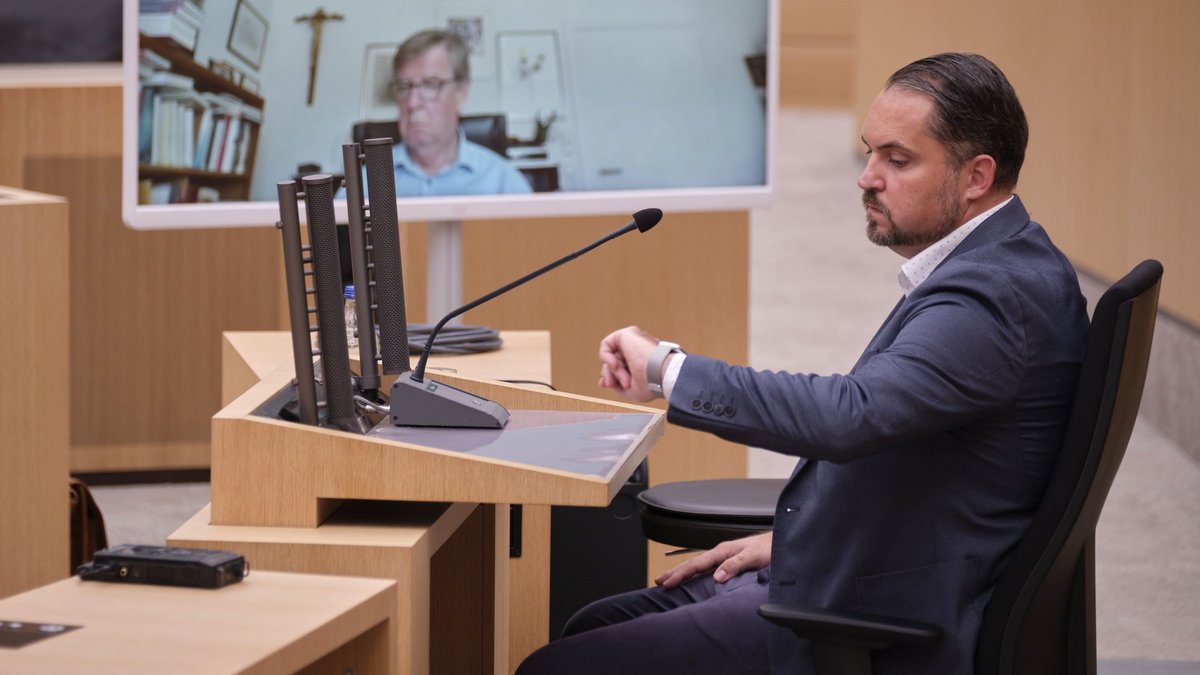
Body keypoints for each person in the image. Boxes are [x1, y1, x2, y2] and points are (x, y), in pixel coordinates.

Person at [516, 53, 1090, 674]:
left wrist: (667, 369)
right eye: (870, 152)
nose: (867, 177)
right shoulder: (1009, 262)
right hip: (855, 567)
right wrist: (791, 543)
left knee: (560, 665)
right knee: (592, 625)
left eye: (898, 160)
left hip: (879, 620)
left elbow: (849, 417)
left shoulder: (991, 300)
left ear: (977, 176)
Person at [385, 29, 531, 196]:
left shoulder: (503, 182)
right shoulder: (364, 184)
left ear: (461, 93)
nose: (412, 102)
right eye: (403, 87)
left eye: (430, 85)